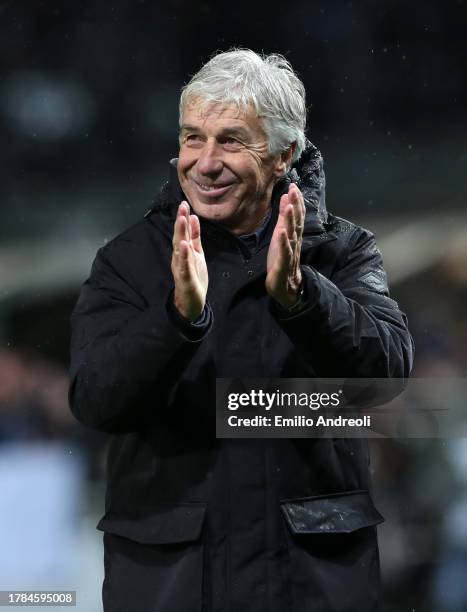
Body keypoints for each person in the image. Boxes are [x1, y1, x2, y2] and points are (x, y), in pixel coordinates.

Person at [68, 49, 414, 612]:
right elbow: (95, 400)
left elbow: (389, 377)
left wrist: (301, 299)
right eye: (191, 138)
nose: (204, 162)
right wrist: (177, 320)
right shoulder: (127, 262)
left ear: (284, 155)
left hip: (312, 586)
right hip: (173, 587)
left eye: (230, 140)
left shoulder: (343, 252)